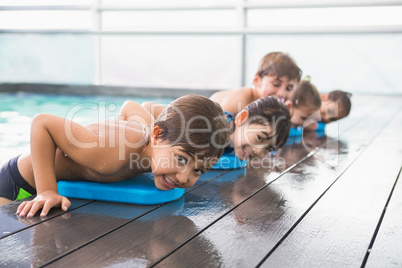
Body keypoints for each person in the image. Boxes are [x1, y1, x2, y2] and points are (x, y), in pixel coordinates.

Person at [0, 95, 230, 217]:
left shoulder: (152, 137)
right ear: (157, 134)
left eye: (198, 170)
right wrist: (47, 191)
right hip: (18, 184)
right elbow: (43, 123)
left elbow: (130, 106)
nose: (183, 178)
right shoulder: (111, 155)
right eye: (181, 159)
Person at [142, 96, 291, 161]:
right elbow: (148, 107)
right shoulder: (209, 126)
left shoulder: (233, 142)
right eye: (259, 138)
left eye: (268, 149)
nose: (259, 150)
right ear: (241, 118)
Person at [209, 52, 302, 115]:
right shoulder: (241, 99)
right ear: (257, 80)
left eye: (289, 88)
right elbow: (215, 128)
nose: (282, 93)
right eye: (276, 84)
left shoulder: (273, 108)